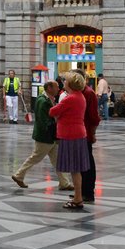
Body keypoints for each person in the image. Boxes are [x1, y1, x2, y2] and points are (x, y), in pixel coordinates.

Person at [50, 73, 91, 210]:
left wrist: (52, 100)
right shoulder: (80, 96)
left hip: (71, 135)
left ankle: (78, 199)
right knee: (76, 169)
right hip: (78, 134)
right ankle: (77, 197)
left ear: (70, 84)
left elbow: (52, 111)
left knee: (74, 169)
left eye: (65, 80)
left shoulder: (70, 98)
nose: (63, 82)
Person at [12, 80, 60, 188]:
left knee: (57, 161)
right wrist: (54, 125)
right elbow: (44, 120)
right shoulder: (43, 101)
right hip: (45, 136)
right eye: (56, 87)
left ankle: (64, 182)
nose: (58, 89)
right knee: (35, 157)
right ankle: (18, 175)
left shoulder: (46, 99)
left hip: (50, 136)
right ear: (49, 88)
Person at [79, 71, 102, 202]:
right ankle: (81, 191)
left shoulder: (88, 93)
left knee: (87, 164)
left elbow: (94, 117)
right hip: (81, 133)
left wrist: (92, 133)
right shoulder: (81, 93)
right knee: (82, 164)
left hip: (86, 133)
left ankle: (88, 192)